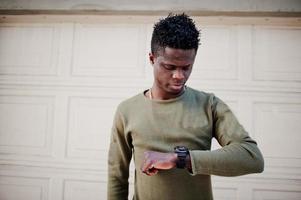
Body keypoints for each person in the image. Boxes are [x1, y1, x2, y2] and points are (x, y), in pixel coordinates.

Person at [107, 13, 264, 200]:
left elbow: (252, 157)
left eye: (186, 67)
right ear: (151, 58)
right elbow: (117, 177)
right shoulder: (127, 111)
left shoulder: (209, 105)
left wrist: (180, 158)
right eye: (170, 67)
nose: (179, 76)